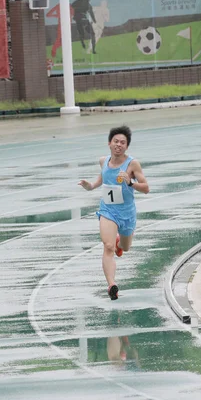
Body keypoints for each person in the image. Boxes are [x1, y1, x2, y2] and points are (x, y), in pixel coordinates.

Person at [79, 125, 149, 300]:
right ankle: (111, 284)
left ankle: (120, 243)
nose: (119, 145)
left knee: (125, 247)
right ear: (109, 143)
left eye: (122, 142)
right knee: (107, 247)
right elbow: (101, 180)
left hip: (126, 213)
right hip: (108, 211)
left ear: (127, 146)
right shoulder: (103, 161)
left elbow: (146, 188)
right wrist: (90, 187)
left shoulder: (132, 164)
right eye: (116, 141)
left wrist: (130, 183)